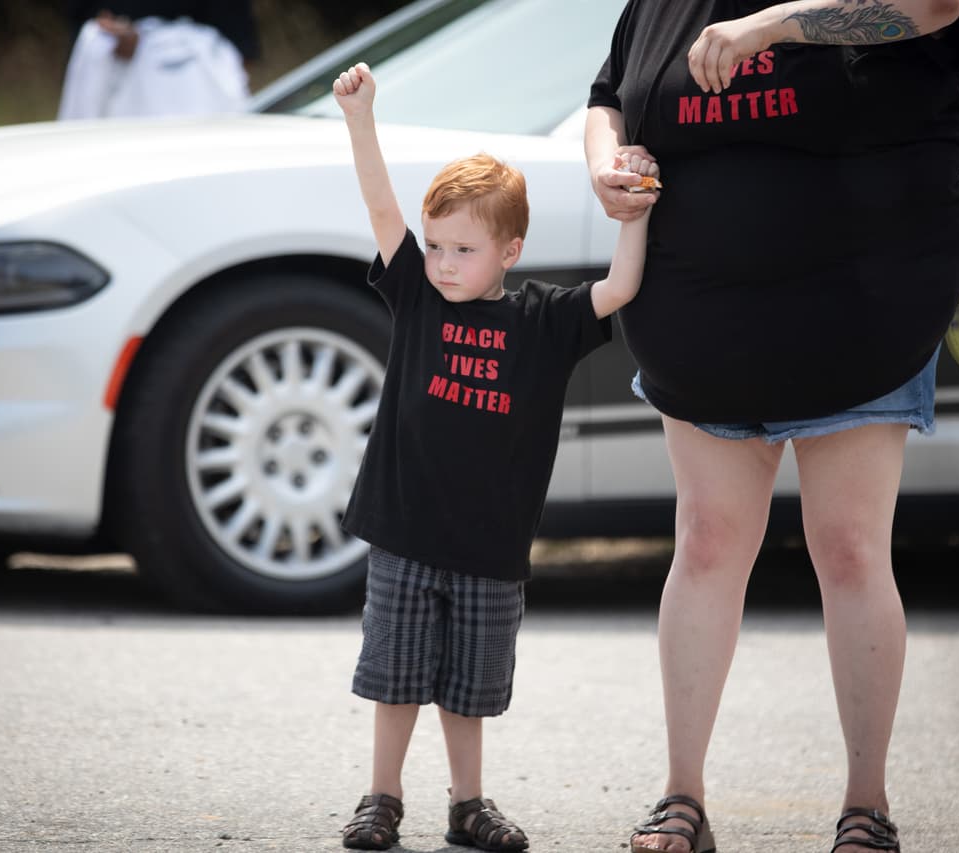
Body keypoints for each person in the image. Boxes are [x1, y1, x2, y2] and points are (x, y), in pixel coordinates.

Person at [583, 1, 959, 852]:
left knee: (846, 546)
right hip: (704, 319)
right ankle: (680, 799)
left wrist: (775, 26)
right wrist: (606, 162)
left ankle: (864, 809)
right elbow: (610, 92)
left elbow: (931, 7)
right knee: (708, 544)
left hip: (861, 306)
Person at [332, 61, 655, 851]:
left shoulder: (541, 320)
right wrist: (360, 119)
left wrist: (636, 206)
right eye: (436, 244)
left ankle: (468, 805)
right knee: (395, 676)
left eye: (463, 249)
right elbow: (381, 206)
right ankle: (381, 796)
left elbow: (619, 286)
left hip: (490, 546)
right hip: (406, 531)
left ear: (510, 249)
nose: (442, 263)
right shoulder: (413, 293)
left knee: (470, 690)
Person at [59, 2, 261, 120]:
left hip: (202, 76)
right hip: (123, 85)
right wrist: (108, 34)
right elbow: (89, 18)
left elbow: (240, 39)